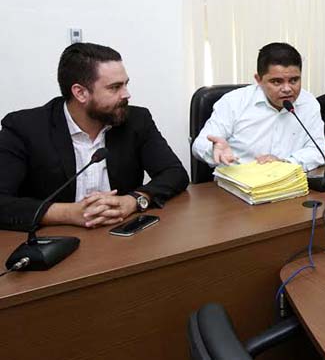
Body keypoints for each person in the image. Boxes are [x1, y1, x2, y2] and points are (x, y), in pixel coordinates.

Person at [0, 43, 189, 232]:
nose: (126, 94)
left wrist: (134, 200)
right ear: (80, 93)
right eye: (115, 87)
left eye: (126, 84)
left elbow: (174, 173)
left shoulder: (136, 120)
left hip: (121, 236)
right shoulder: (24, 128)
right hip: (54, 239)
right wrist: (68, 213)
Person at [192, 42, 324, 172]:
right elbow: (200, 145)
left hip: (286, 180)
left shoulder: (308, 103)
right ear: (258, 79)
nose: (287, 89)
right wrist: (213, 149)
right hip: (239, 181)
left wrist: (285, 163)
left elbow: (317, 150)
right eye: (277, 82)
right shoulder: (234, 102)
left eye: (294, 80)